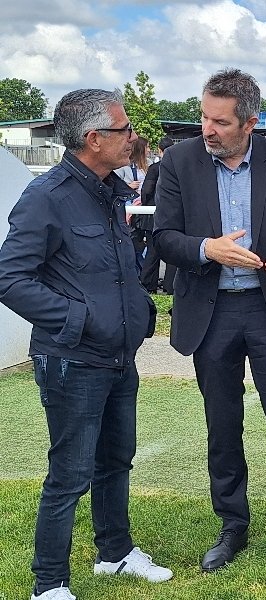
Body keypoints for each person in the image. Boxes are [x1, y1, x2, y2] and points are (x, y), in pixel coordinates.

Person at [152, 69, 266, 575]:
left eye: (219, 122)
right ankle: (233, 526)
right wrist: (206, 249)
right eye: (203, 118)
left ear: (250, 123)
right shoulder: (178, 161)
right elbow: (163, 235)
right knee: (223, 427)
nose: (206, 130)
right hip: (210, 314)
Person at [0, 89, 172, 600]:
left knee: (116, 459)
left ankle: (114, 553)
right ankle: (48, 583)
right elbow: (10, 277)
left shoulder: (109, 189)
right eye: (123, 130)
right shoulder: (47, 196)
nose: (132, 138)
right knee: (70, 471)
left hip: (119, 355)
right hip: (72, 359)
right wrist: (79, 317)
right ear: (93, 139)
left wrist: (135, 313)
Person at [138, 136, 177, 294]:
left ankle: (148, 284)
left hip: (153, 215)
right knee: (173, 253)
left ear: (160, 150)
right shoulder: (178, 166)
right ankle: (170, 286)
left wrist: (145, 204)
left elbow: (146, 191)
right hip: (174, 215)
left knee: (152, 253)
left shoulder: (155, 168)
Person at [115, 136, 150, 259]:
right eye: (147, 147)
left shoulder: (149, 165)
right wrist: (128, 186)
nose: (149, 150)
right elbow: (113, 183)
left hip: (145, 205)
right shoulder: (125, 166)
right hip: (132, 206)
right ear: (141, 149)